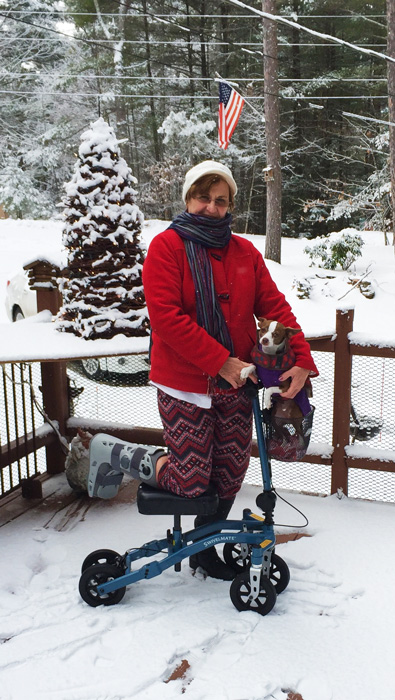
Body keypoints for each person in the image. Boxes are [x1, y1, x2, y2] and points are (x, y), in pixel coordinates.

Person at [117, 160, 318, 580]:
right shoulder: (166, 247)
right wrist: (219, 360)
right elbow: (167, 318)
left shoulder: (244, 252)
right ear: (188, 198)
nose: (211, 207)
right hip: (184, 383)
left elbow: (276, 310)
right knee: (192, 480)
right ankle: (134, 457)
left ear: (230, 206)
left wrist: (301, 359)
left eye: (220, 200)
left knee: (228, 474)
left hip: (236, 384)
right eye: (203, 197)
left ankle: (203, 547)